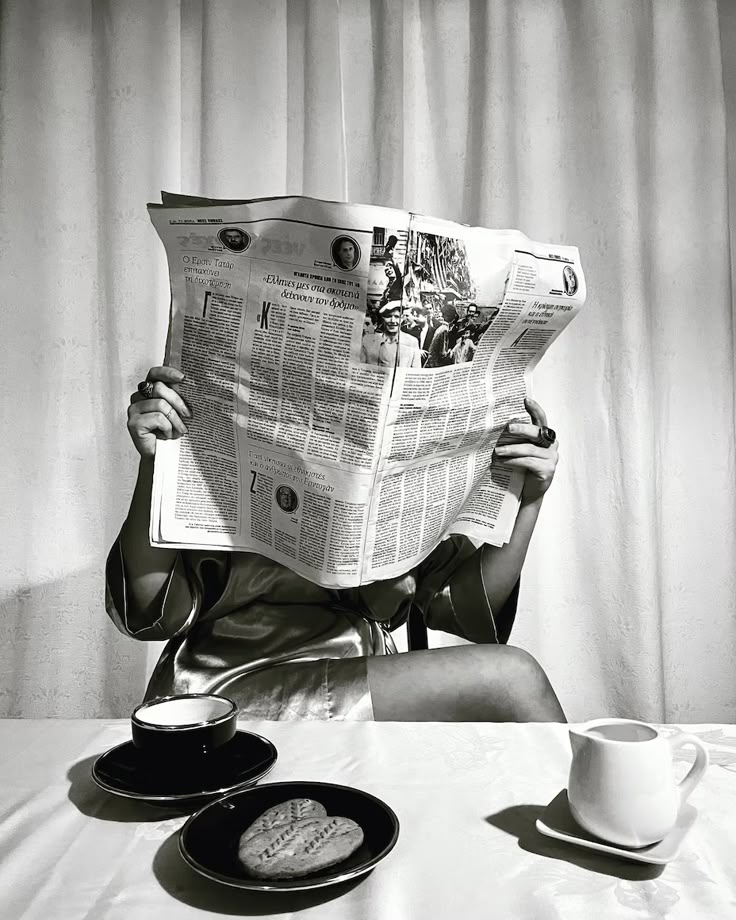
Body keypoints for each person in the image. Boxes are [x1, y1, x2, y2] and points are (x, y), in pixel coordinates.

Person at [107, 369, 565, 722]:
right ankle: (592, 827)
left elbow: (468, 607)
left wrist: (528, 499)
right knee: (513, 679)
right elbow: (146, 611)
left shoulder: (391, 461)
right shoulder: (223, 454)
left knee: (511, 682)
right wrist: (157, 462)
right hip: (225, 689)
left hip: (361, 675)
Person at [360, 301, 422, 368]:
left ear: (402, 319)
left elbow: (416, 371)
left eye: (397, 316)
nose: (392, 320)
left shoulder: (412, 342)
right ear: (383, 318)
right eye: (388, 316)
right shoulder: (367, 341)